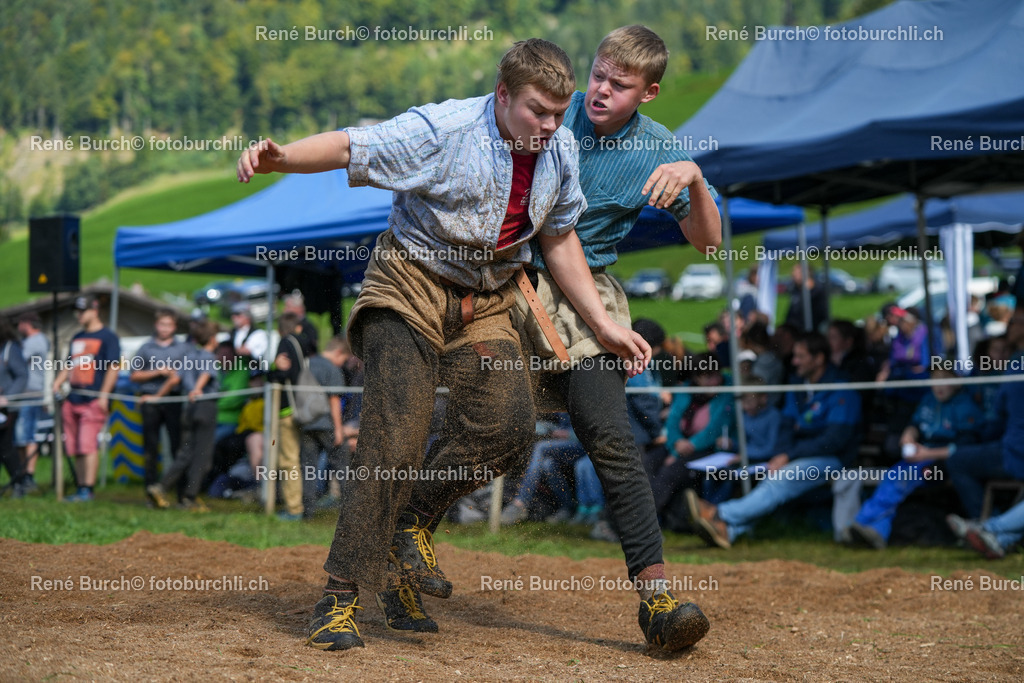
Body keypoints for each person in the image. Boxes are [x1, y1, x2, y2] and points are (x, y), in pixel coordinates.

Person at [237, 38, 648, 651]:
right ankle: (340, 597)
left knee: (508, 429)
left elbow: (560, 238)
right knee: (395, 432)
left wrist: (604, 323)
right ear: (503, 95)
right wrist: (281, 158)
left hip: (486, 299)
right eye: (537, 110)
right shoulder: (444, 130)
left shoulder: (558, 145)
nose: (551, 125)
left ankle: (408, 527)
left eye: (560, 113)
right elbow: (354, 144)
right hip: (408, 288)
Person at [385, 26, 720, 652]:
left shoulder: (659, 151)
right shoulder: (547, 122)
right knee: (493, 434)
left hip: (591, 305)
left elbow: (709, 243)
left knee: (613, 438)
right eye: (598, 74)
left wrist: (695, 179)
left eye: (618, 86)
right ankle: (408, 532)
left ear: (648, 94)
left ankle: (657, 602)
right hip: (509, 290)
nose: (599, 90)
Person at [687, 332, 861, 548]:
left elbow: (835, 440)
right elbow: (787, 427)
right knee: (774, 479)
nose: (794, 361)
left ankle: (718, 513)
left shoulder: (840, 388)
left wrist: (788, 455)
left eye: (800, 357)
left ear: (819, 359)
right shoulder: (797, 385)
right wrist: (784, 453)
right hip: (799, 453)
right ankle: (729, 531)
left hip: (833, 458)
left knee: (780, 480)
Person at [846, 368, 983, 549]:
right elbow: (915, 424)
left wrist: (927, 454)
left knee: (900, 481)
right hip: (921, 457)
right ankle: (872, 529)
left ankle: (866, 523)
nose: (939, 386)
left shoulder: (966, 407)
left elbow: (965, 449)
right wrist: (908, 435)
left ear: (958, 382)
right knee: (893, 477)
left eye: (945, 380)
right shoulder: (928, 400)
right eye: (935, 380)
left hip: (944, 466)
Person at [146, 319, 221, 511]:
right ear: (212, 339)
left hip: (189, 408)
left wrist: (156, 397)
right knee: (202, 456)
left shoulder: (188, 356)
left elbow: (174, 379)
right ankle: (189, 498)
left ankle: (161, 487)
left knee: (185, 453)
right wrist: (197, 389)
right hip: (204, 406)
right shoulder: (208, 355)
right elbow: (206, 373)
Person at [51, 295, 121, 502]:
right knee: (74, 446)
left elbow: (113, 367)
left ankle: (87, 489)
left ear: (95, 310)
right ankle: (81, 487)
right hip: (73, 398)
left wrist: (103, 396)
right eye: (77, 311)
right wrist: (57, 382)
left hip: (93, 399)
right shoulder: (77, 337)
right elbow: (69, 364)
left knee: (87, 444)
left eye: (83, 311)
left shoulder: (108, 337)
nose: (79, 315)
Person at [130, 308, 187, 488]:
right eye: (162, 324)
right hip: (149, 400)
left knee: (176, 445)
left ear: (174, 327)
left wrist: (173, 375)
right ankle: (151, 488)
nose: (165, 328)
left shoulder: (183, 348)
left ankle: (177, 488)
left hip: (174, 399)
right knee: (151, 447)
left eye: (169, 325)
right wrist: (157, 372)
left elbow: (186, 375)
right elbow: (134, 375)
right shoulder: (145, 348)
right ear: (156, 325)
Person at [13, 312, 48, 496]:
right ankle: (23, 473)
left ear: (27, 323)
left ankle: (29, 476)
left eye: (19, 322)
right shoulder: (31, 341)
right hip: (24, 394)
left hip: (31, 393)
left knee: (26, 435)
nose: (18, 326)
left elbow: (15, 361)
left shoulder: (35, 341)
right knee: (21, 436)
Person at [0, 316, 29, 495]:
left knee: (5, 446)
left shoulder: (11, 349)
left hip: (7, 409)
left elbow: (22, 375)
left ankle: (19, 482)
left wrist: (8, 397)